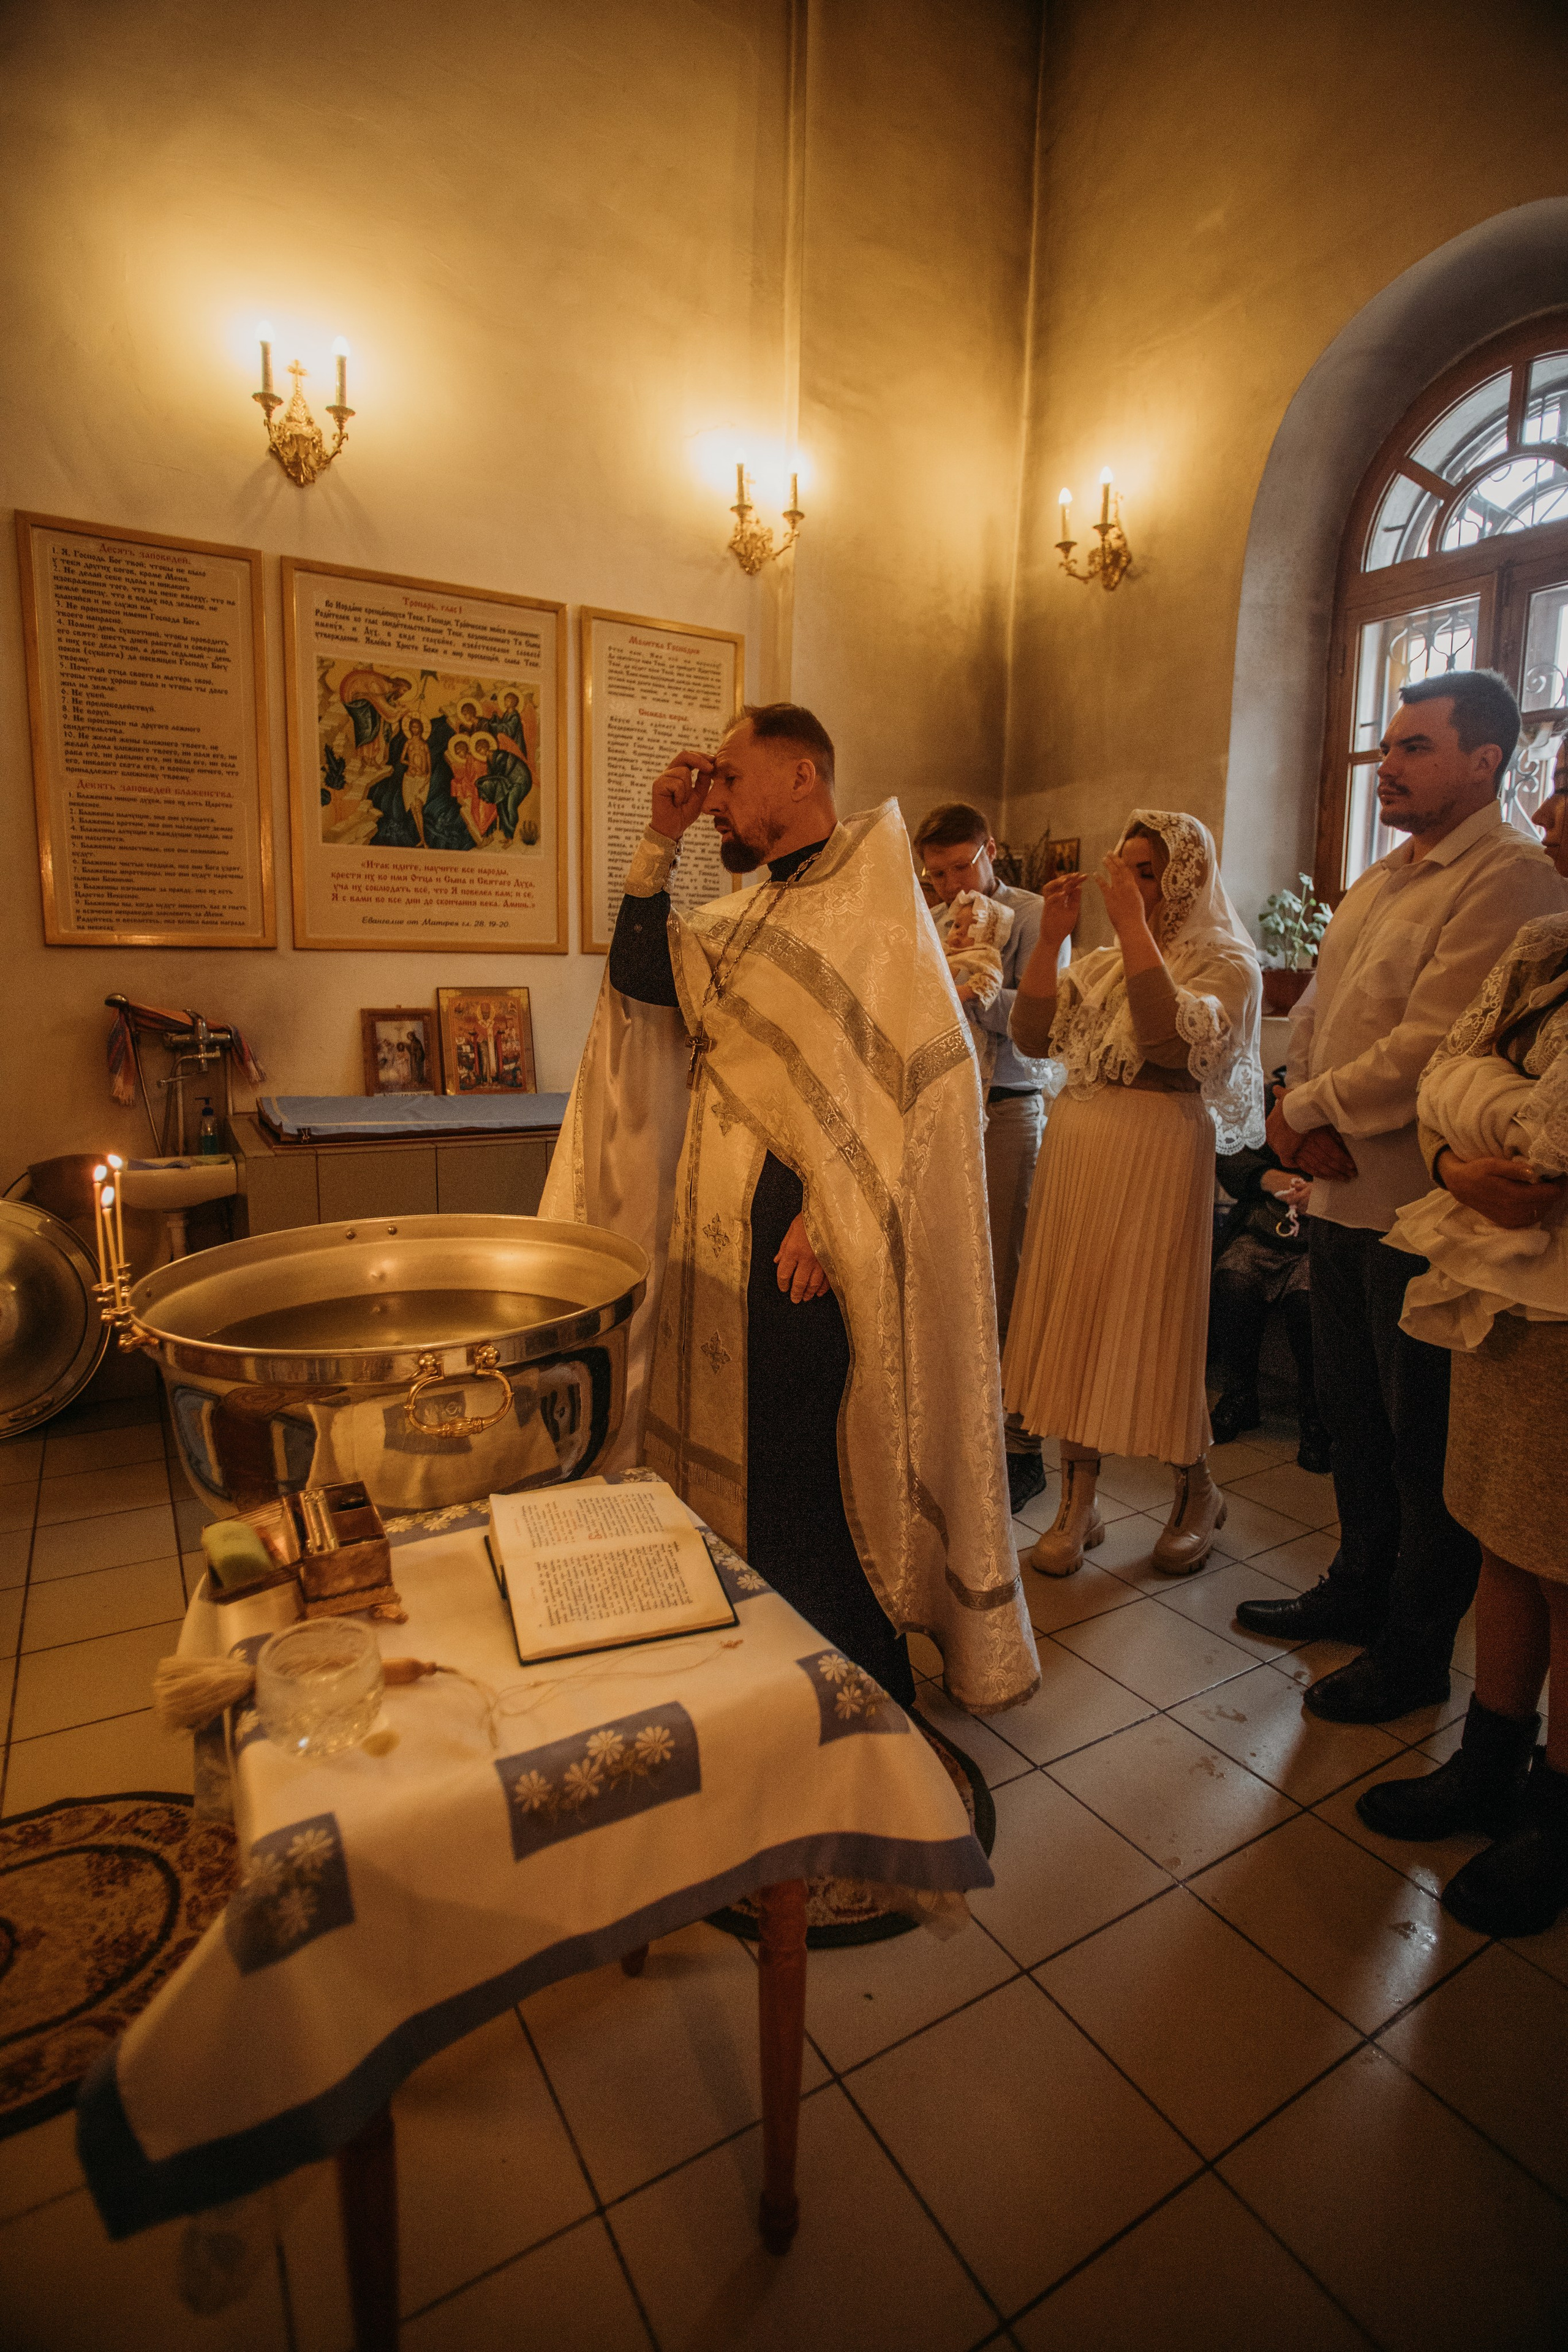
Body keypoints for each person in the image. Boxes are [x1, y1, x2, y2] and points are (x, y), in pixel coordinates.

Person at [541, 704, 1039, 1718]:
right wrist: (659, 839)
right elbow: (644, 979)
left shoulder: (879, 910)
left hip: (815, 1241)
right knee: (747, 1463)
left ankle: (859, 1687)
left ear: (800, 775)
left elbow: (924, 1089)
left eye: (730, 777)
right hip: (718, 1223)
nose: (713, 791)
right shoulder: (749, 914)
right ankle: (763, 1676)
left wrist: (834, 1204)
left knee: (811, 1467)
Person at [1236, 671, 1567, 1724]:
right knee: (1355, 1418)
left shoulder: (1511, 876)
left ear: (1486, 762)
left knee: (1422, 1445)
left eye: (1417, 747)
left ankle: (1415, 1647)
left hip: (1413, 1209)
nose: (1390, 765)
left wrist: (1309, 1110)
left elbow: (1435, 1043)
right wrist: (1295, 1102)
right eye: (1388, 747)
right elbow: (1331, 1013)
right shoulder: (1389, 876)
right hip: (1339, 1193)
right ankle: (1355, 1587)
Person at [1355, 778, 1568, 1934]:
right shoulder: (1544, 942)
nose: (1556, 805)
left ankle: (1556, 1814)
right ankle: (1489, 1758)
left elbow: (1559, 1131)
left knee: (1567, 1568)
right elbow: (1445, 1076)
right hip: (1497, 1281)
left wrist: (1479, 1108)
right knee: (1499, 1534)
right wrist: (1457, 1155)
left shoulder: (1518, 911)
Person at [1003, 810, 1265, 1575]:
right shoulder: (1103, 961)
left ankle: (1196, 1491)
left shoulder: (1228, 966)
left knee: (1152, 1326)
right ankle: (1078, 1504)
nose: (1130, 882)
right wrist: (1052, 936)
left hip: (1158, 1156)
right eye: (1125, 867)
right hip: (1079, 1156)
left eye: (1147, 872)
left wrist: (1131, 928)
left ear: (1186, 878)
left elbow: (1165, 1044)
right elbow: (1030, 1036)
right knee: (1073, 1320)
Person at [914, 802, 1052, 1510]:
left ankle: (1022, 1443)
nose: (947, 884)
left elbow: (1041, 1024)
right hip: (946, 1109)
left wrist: (974, 990)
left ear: (990, 850)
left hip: (1006, 1106)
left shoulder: (1029, 915)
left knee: (1007, 1275)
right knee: (950, 1270)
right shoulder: (927, 918)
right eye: (933, 872)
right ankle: (965, 1432)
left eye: (960, 866)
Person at [1208, 1119, 1329, 1469]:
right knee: (1234, 1280)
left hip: (1324, 1237)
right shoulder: (1274, 1100)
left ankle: (1316, 1415)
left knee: (1307, 1301)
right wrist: (1270, 1178)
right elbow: (1230, 1151)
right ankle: (1240, 1395)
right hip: (1266, 1225)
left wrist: (1320, 1191)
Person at [934, 891, 1014, 1083]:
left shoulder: (984, 954)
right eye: (957, 925)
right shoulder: (943, 949)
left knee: (964, 1070)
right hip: (938, 1020)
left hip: (968, 1025)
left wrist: (965, 991)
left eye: (972, 929)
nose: (960, 932)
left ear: (988, 935)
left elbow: (991, 980)